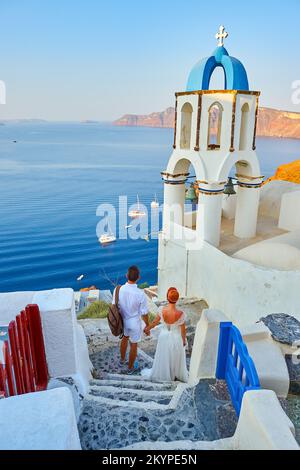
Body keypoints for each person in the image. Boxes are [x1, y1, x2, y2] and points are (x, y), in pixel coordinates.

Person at [142, 287, 188, 383]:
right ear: (177, 299)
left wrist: (147, 328)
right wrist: (183, 341)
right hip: (176, 338)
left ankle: (165, 374)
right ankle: (174, 374)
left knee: (164, 356)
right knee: (174, 357)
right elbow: (183, 330)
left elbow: (155, 322)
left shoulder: (161, 310)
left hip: (163, 337)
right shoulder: (181, 314)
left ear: (167, 297)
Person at [113, 266, 149, 375]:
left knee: (124, 338)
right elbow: (144, 313)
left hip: (123, 321)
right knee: (134, 345)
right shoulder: (140, 294)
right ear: (138, 278)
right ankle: (130, 368)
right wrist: (147, 325)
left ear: (126, 275)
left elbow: (114, 306)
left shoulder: (118, 289)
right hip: (134, 323)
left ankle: (122, 360)